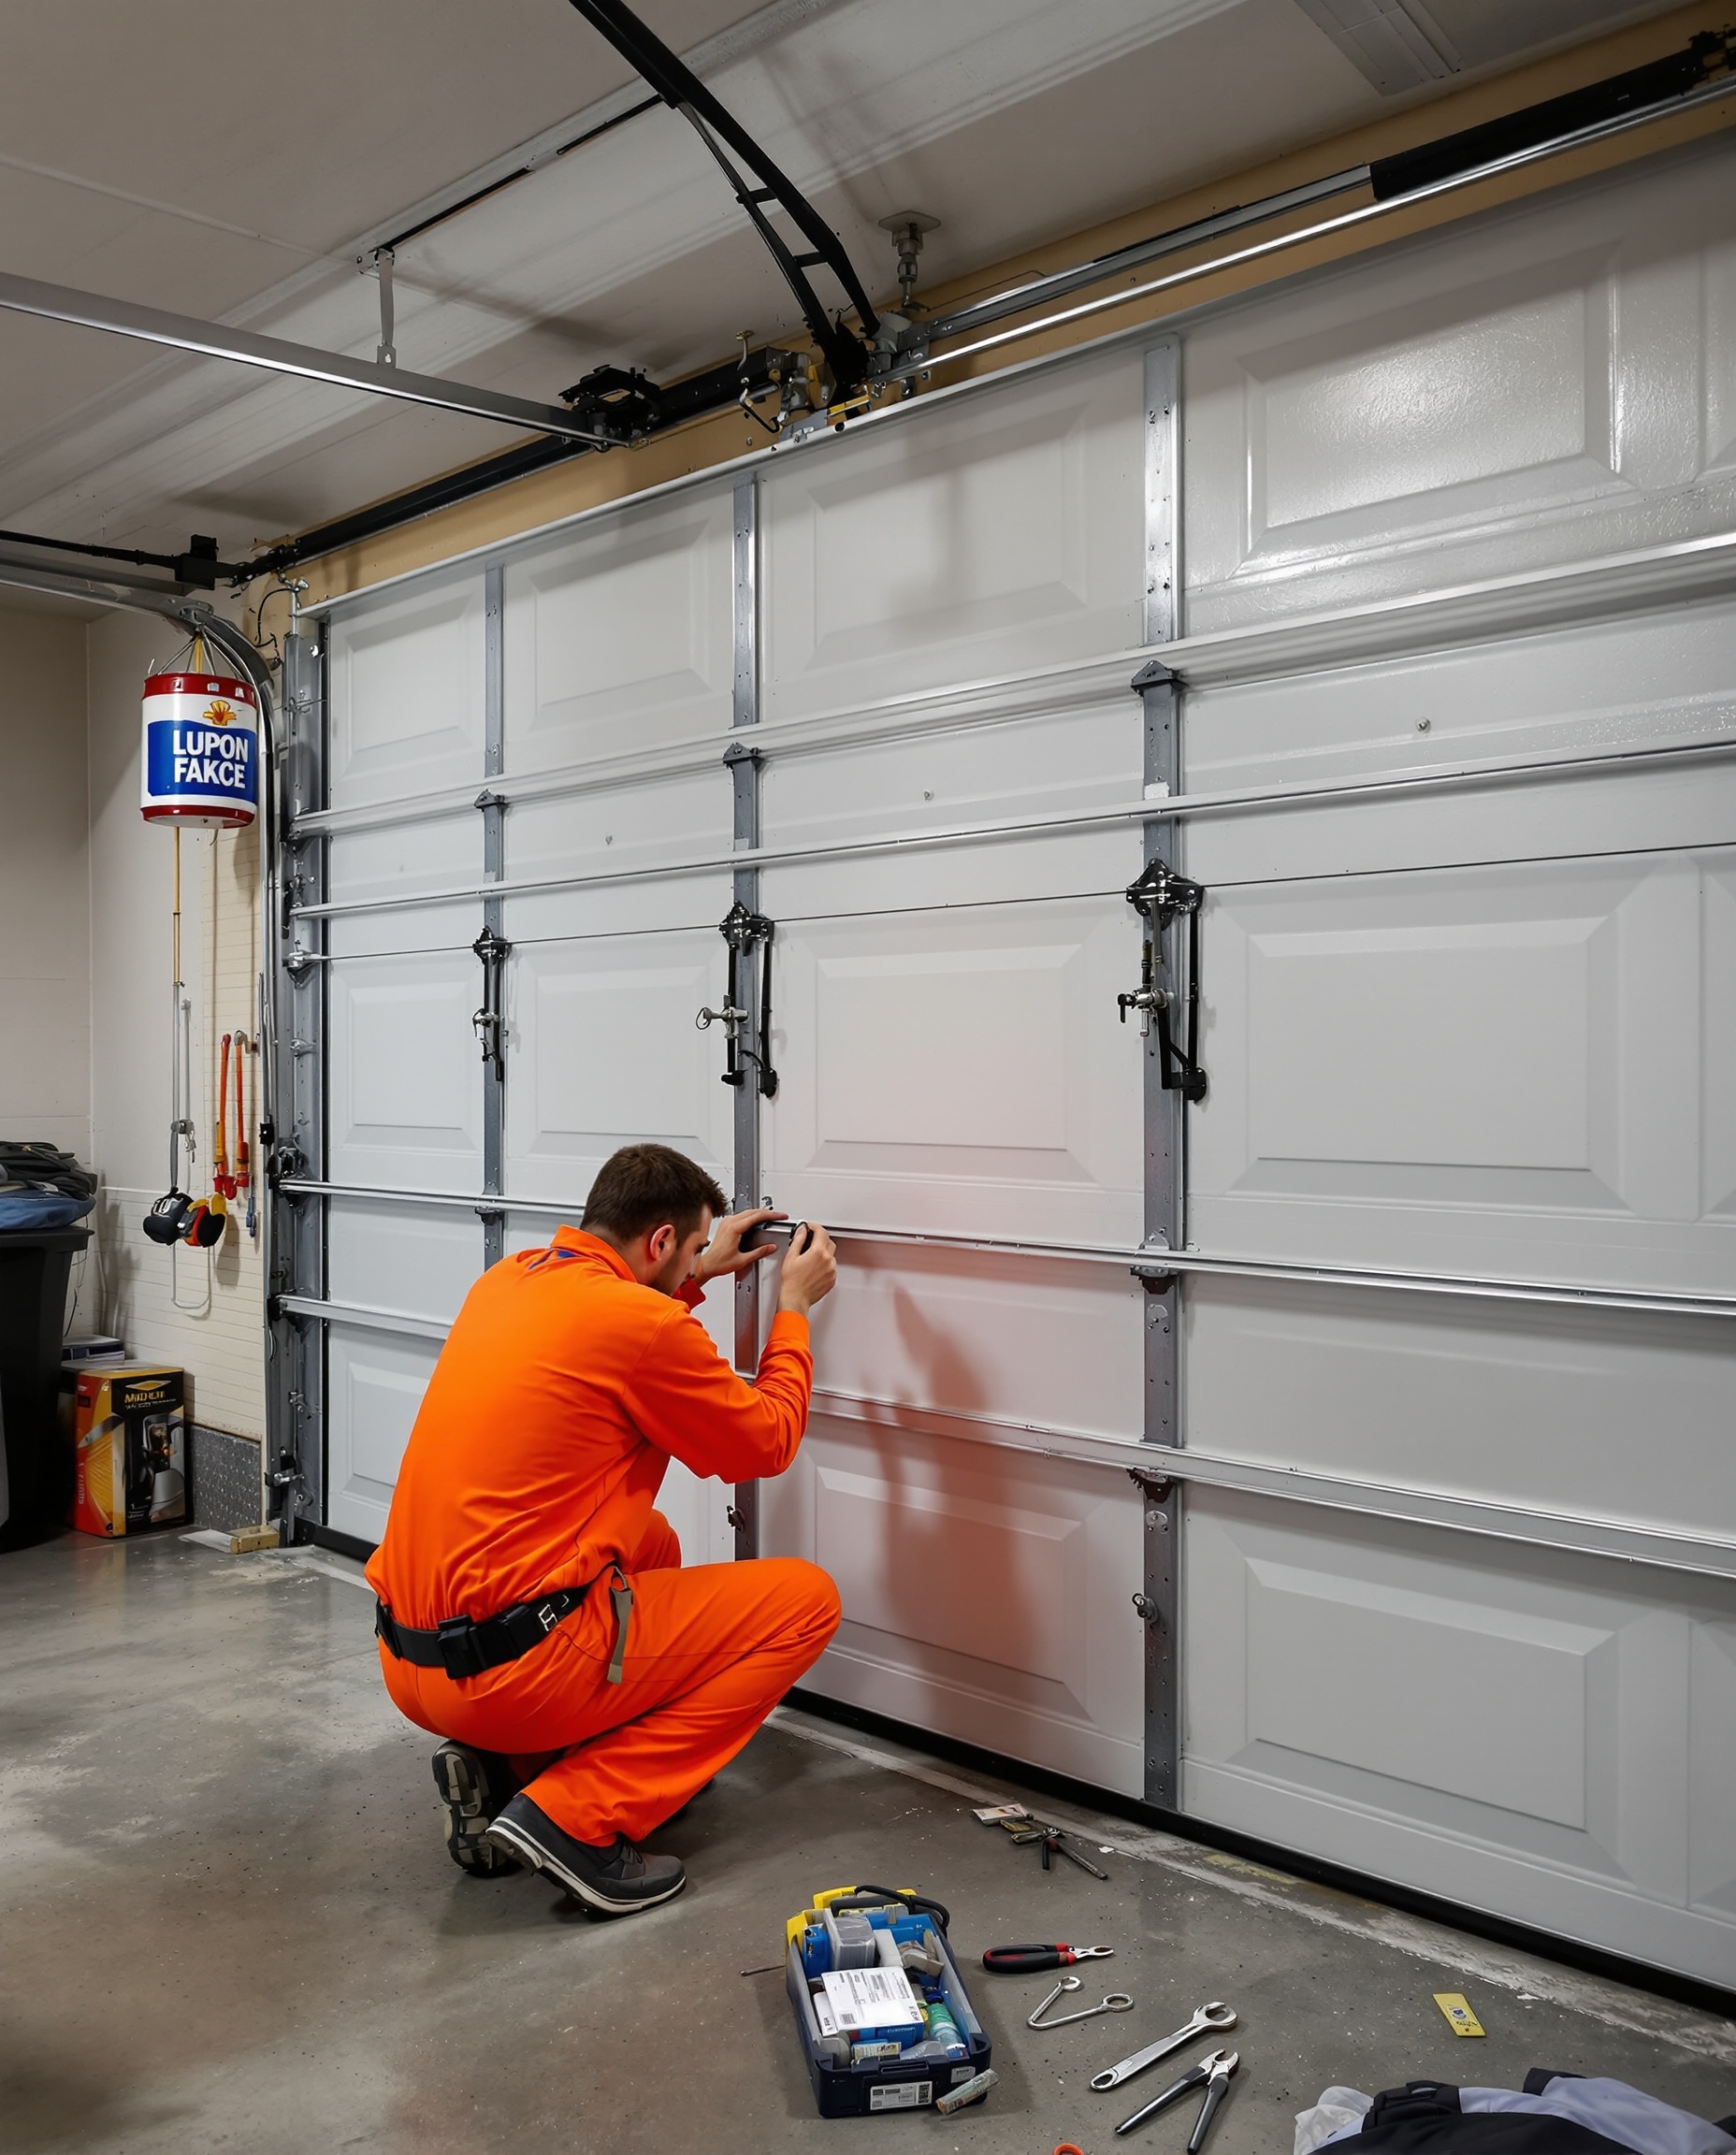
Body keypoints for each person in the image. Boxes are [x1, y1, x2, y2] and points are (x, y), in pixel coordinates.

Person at [364, 1143, 841, 1916]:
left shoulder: (507, 1280)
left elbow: (617, 1337)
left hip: (411, 1662)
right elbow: (767, 1440)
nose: (694, 1262)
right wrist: (793, 1309)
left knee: (650, 1545)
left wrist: (694, 1274)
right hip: (510, 1675)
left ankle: (510, 1769)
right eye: (690, 1246)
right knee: (807, 1601)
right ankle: (577, 1817)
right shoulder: (642, 1323)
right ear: (658, 1242)